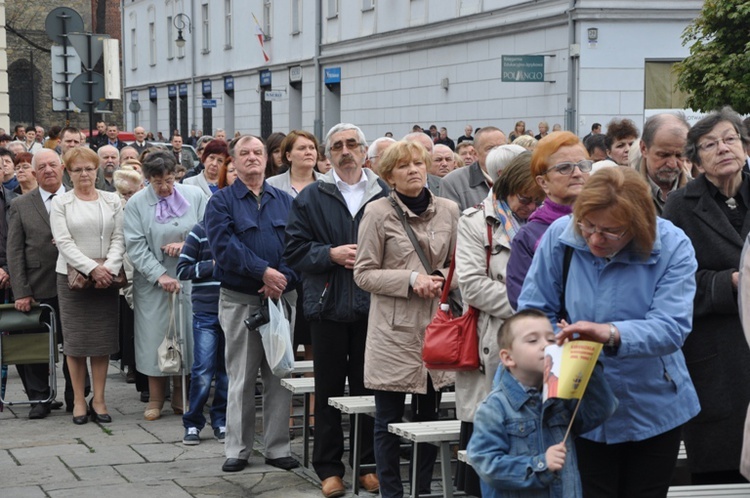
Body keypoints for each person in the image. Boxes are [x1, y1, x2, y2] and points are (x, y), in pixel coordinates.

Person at [518, 166, 700, 497]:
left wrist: (610, 333)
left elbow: (672, 328)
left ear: (639, 224)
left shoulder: (673, 245)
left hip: (654, 401)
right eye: (588, 226)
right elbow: (532, 310)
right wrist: (549, 342)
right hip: (579, 402)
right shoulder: (562, 236)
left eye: (611, 231)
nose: (595, 239)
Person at [285, 123, 388, 498]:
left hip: (373, 306)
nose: (346, 151)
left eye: (352, 145)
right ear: (328, 155)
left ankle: (366, 465)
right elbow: (293, 249)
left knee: (370, 389)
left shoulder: (383, 193)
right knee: (327, 390)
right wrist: (329, 254)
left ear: (363, 151)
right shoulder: (312, 196)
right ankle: (329, 468)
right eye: (338, 146)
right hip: (326, 305)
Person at [353, 140, 460, 498]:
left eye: (418, 163)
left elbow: (461, 264)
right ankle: (392, 493)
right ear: (389, 176)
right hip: (393, 331)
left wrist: (442, 279)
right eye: (404, 166)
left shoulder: (449, 210)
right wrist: (411, 280)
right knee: (388, 421)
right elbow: (364, 273)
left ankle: (423, 489)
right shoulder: (377, 212)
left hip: (437, 327)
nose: (414, 170)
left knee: (430, 418)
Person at [662, 107, 750, 485]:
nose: (723, 149)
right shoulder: (680, 206)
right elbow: (671, 284)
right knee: (721, 470)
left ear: (745, 147)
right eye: (710, 144)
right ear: (694, 160)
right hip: (716, 354)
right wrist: (730, 283)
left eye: (730, 139)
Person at [204, 135, 299, 472]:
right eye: (244, 153)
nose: (252, 158)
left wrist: (281, 277)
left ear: (267, 158)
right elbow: (224, 248)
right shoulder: (221, 202)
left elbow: (296, 245)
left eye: (257, 152)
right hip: (242, 300)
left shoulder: (284, 200)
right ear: (234, 160)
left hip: (281, 300)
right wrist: (264, 273)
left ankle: (277, 448)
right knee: (242, 377)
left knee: (279, 373)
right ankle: (238, 448)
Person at [454, 152, 543, 495]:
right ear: (505, 188)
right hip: (495, 342)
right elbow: (473, 285)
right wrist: (532, 307)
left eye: (539, 199)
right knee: (489, 438)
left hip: (538, 345)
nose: (531, 207)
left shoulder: (548, 222)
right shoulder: (476, 222)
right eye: (524, 198)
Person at [467, 309, 617, 498]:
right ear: (508, 358)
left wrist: (583, 357)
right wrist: (541, 464)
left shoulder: (559, 396)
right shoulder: (495, 408)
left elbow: (600, 410)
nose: (545, 345)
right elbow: (487, 464)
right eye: (532, 340)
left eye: (551, 340)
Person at [124, 149, 207, 421]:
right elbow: (135, 246)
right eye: (158, 182)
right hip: (154, 283)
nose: (165, 187)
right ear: (147, 179)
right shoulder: (137, 203)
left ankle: (182, 396)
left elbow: (209, 229)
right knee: (156, 337)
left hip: (189, 278)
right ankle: (156, 398)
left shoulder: (194, 196)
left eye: (170, 180)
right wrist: (159, 275)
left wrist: (187, 246)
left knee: (187, 333)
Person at [50, 146, 125, 425]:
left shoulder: (111, 200)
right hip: (72, 281)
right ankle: (80, 400)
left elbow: (120, 237)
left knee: (102, 342)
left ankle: (101, 399)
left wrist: (109, 268)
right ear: (68, 173)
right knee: (76, 343)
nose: (84, 174)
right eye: (77, 169)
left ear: (97, 171)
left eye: (89, 168)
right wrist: (92, 268)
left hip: (107, 279)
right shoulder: (62, 203)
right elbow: (64, 241)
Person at [8, 149, 82, 419]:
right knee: (34, 346)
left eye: (53, 164)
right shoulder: (21, 205)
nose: (48, 170)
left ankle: (76, 396)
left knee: (75, 343)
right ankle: (39, 398)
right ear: (34, 173)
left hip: (76, 283)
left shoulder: (79, 198)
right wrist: (21, 291)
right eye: (42, 167)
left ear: (62, 168)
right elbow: (14, 251)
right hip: (39, 285)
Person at [176, 156, 234, 445]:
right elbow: (183, 269)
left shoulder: (236, 233)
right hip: (206, 313)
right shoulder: (199, 232)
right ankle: (193, 422)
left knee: (226, 372)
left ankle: (220, 420)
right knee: (202, 370)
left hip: (233, 310)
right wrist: (212, 266)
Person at [506, 132, 591, 310]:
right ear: (543, 182)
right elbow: (522, 299)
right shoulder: (529, 236)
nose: (577, 173)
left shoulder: (608, 222)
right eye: (565, 168)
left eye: (583, 165)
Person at [442, 127, 506, 210]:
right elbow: (452, 221)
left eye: (503, 148)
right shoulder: (453, 182)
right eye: (490, 148)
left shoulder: (517, 178)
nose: (498, 153)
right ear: (475, 153)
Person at [639, 113, 690, 215]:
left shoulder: (700, 193)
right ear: (644, 148)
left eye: (680, 155)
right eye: (664, 155)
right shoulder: (622, 192)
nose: (672, 164)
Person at [267, 130, 323, 196]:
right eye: (302, 148)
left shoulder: (329, 183)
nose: (308, 152)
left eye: (312, 148)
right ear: (288, 156)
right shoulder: (272, 185)